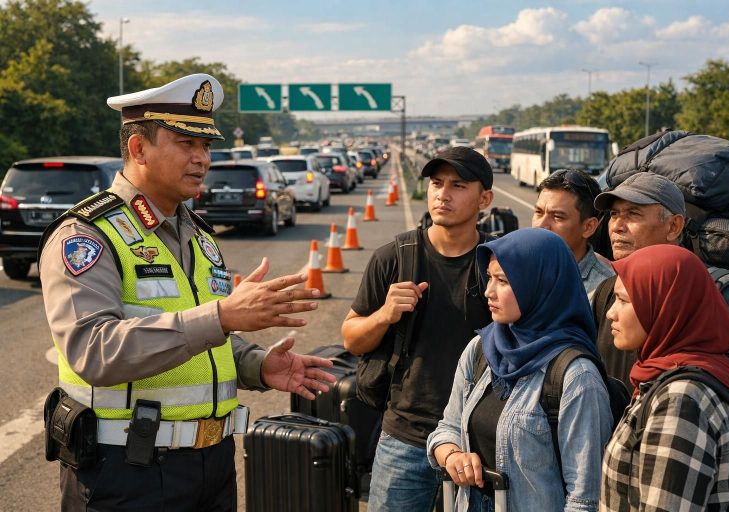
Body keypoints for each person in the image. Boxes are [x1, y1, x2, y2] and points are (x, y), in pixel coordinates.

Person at [39, 73, 335, 511]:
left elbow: (200, 335)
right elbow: (93, 350)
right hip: (125, 471)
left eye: (206, 146)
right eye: (185, 144)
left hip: (211, 466)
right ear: (138, 148)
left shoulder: (197, 234)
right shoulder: (87, 235)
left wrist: (256, 365)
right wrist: (222, 317)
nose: (201, 159)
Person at [341, 146, 494, 510]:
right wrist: (384, 315)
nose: (443, 194)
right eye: (437, 183)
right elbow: (351, 338)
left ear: (484, 198)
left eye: (458, 185)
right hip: (405, 437)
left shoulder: (498, 263)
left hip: (478, 443)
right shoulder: (394, 257)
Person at [427, 228, 612, 511]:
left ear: (540, 284)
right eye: (489, 277)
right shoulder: (481, 349)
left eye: (502, 280)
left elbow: (584, 499)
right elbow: (447, 428)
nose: (488, 291)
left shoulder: (576, 376)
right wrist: (452, 456)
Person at [591, 172, 729, 388]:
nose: (616, 226)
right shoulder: (608, 292)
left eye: (633, 214)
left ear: (674, 226)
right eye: (614, 214)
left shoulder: (720, 294)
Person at [601, 244, 729, 511]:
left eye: (623, 300)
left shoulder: (682, 400)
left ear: (665, 306)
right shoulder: (663, 378)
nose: (611, 312)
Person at [531, 168, 613, 297]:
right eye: (538, 212)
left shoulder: (607, 289)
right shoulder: (516, 269)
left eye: (557, 216)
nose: (541, 225)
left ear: (588, 227)